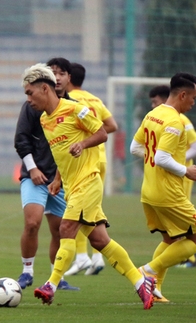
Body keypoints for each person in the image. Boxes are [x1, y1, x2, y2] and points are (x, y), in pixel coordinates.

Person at [23, 63, 156, 309]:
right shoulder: (44, 120)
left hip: (89, 180)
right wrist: (58, 180)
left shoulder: (76, 109)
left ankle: (51, 285)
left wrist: (83, 145)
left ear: (44, 88)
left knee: (66, 227)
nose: (28, 99)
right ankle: (141, 282)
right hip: (71, 186)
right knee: (100, 241)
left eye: (30, 93)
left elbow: (103, 133)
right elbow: (60, 154)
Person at [130, 73, 196, 304]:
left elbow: (135, 148)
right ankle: (147, 271)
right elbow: (163, 158)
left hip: (149, 191)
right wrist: (186, 170)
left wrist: (153, 161)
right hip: (169, 193)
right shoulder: (175, 121)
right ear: (182, 95)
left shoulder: (153, 114)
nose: (194, 102)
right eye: (193, 98)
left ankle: (155, 288)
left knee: (170, 240)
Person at [14, 57, 79, 292]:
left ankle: (56, 278)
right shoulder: (31, 106)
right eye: (53, 72)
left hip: (61, 180)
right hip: (35, 177)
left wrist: (61, 178)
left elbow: (80, 141)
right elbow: (21, 140)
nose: (57, 76)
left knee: (60, 230)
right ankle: (27, 272)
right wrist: (32, 169)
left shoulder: (73, 107)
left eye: (61, 73)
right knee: (32, 223)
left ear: (67, 78)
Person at [64, 62, 117, 276]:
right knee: (93, 210)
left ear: (68, 78)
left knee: (75, 209)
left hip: (82, 160)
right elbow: (112, 125)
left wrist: (81, 139)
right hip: (100, 159)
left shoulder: (70, 101)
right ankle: (97, 258)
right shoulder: (95, 99)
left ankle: (81, 257)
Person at [148, 85, 196, 270]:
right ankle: (148, 272)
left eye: (155, 102)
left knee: (173, 235)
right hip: (169, 183)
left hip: (168, 181)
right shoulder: (167, 118)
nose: (153, 106)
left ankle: (153, 283)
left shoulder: (180, 120)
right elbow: (159, 156)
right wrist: (181, 167)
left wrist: (180, 165)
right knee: (192, 235)